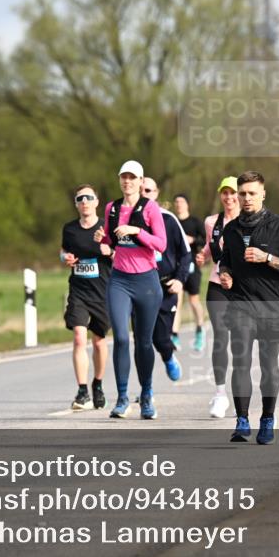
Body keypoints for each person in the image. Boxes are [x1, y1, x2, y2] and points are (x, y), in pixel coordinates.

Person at [218, 171, 279, 445]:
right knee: (240, 361)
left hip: (271, 306)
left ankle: (267, 418)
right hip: (241, 305)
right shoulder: (231, 230)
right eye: (242, 193)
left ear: (263, 194)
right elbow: (225, 261)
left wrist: (267, 258)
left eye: (252, 193)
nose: (246, 198)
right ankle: (242, 421)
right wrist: (226, 274)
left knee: (268, 365)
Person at [94, 160, 167, 419]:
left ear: (140, 180)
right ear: (119, 180)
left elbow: (161, 244)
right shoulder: (111, 208)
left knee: (143, 342)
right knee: (122, 339)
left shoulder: (150, 208)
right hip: (120, 281)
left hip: (147, 281)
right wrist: (102, 239)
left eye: (132, 178)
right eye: (124, 177)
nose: (127, 182)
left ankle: (146, 395)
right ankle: (123, 397)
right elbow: (111, 241)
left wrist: (137, 230)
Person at [60, 184, 112, 410]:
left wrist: (108, 249)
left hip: (103, 291)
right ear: (76, 204)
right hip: (79, 290)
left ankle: (97, 384)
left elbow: (121, 253)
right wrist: (66, 258)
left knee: (99, 342)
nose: (84, 201)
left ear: (96, 202)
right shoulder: (70, 229)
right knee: (79, 337)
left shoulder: (107, 226)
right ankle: (82, 391)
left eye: (89, 197)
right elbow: (63, 250)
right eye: (80, 198)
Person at [196, 176, 240, 419]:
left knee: (240, 340)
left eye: (233, 192)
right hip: (217, 284)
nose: (229, 197)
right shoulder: (211, 221)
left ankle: (241, 393)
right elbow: (211, 245)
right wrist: (202, 256)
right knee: (221, 337)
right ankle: (220, 394)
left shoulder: (249, 222)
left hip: (242, 288)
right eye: (225, 193)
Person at [141, 177, 192, 385]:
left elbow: (186, 254)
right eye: (141, 190)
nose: (145, 194)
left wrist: (180, 280)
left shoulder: (168, 219)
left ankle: (169, 356)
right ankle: (146, 390)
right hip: (140, 286)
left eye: (148, 190)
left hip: (165, 287)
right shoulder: (128, 219)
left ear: (156, 193)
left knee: (160, 339)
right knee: (142, 342)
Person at [172, 193, 206, 353]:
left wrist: (192, 240)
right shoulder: (172, 221)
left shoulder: (195, 221)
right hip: (176, 267)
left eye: (181, 202)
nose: (178, 204)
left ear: (187, 204)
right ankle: (174, 335)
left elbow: (206, 240)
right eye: (176, 202)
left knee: (193, 300)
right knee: (176, 301)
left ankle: (200, 329)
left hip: (192, 266)